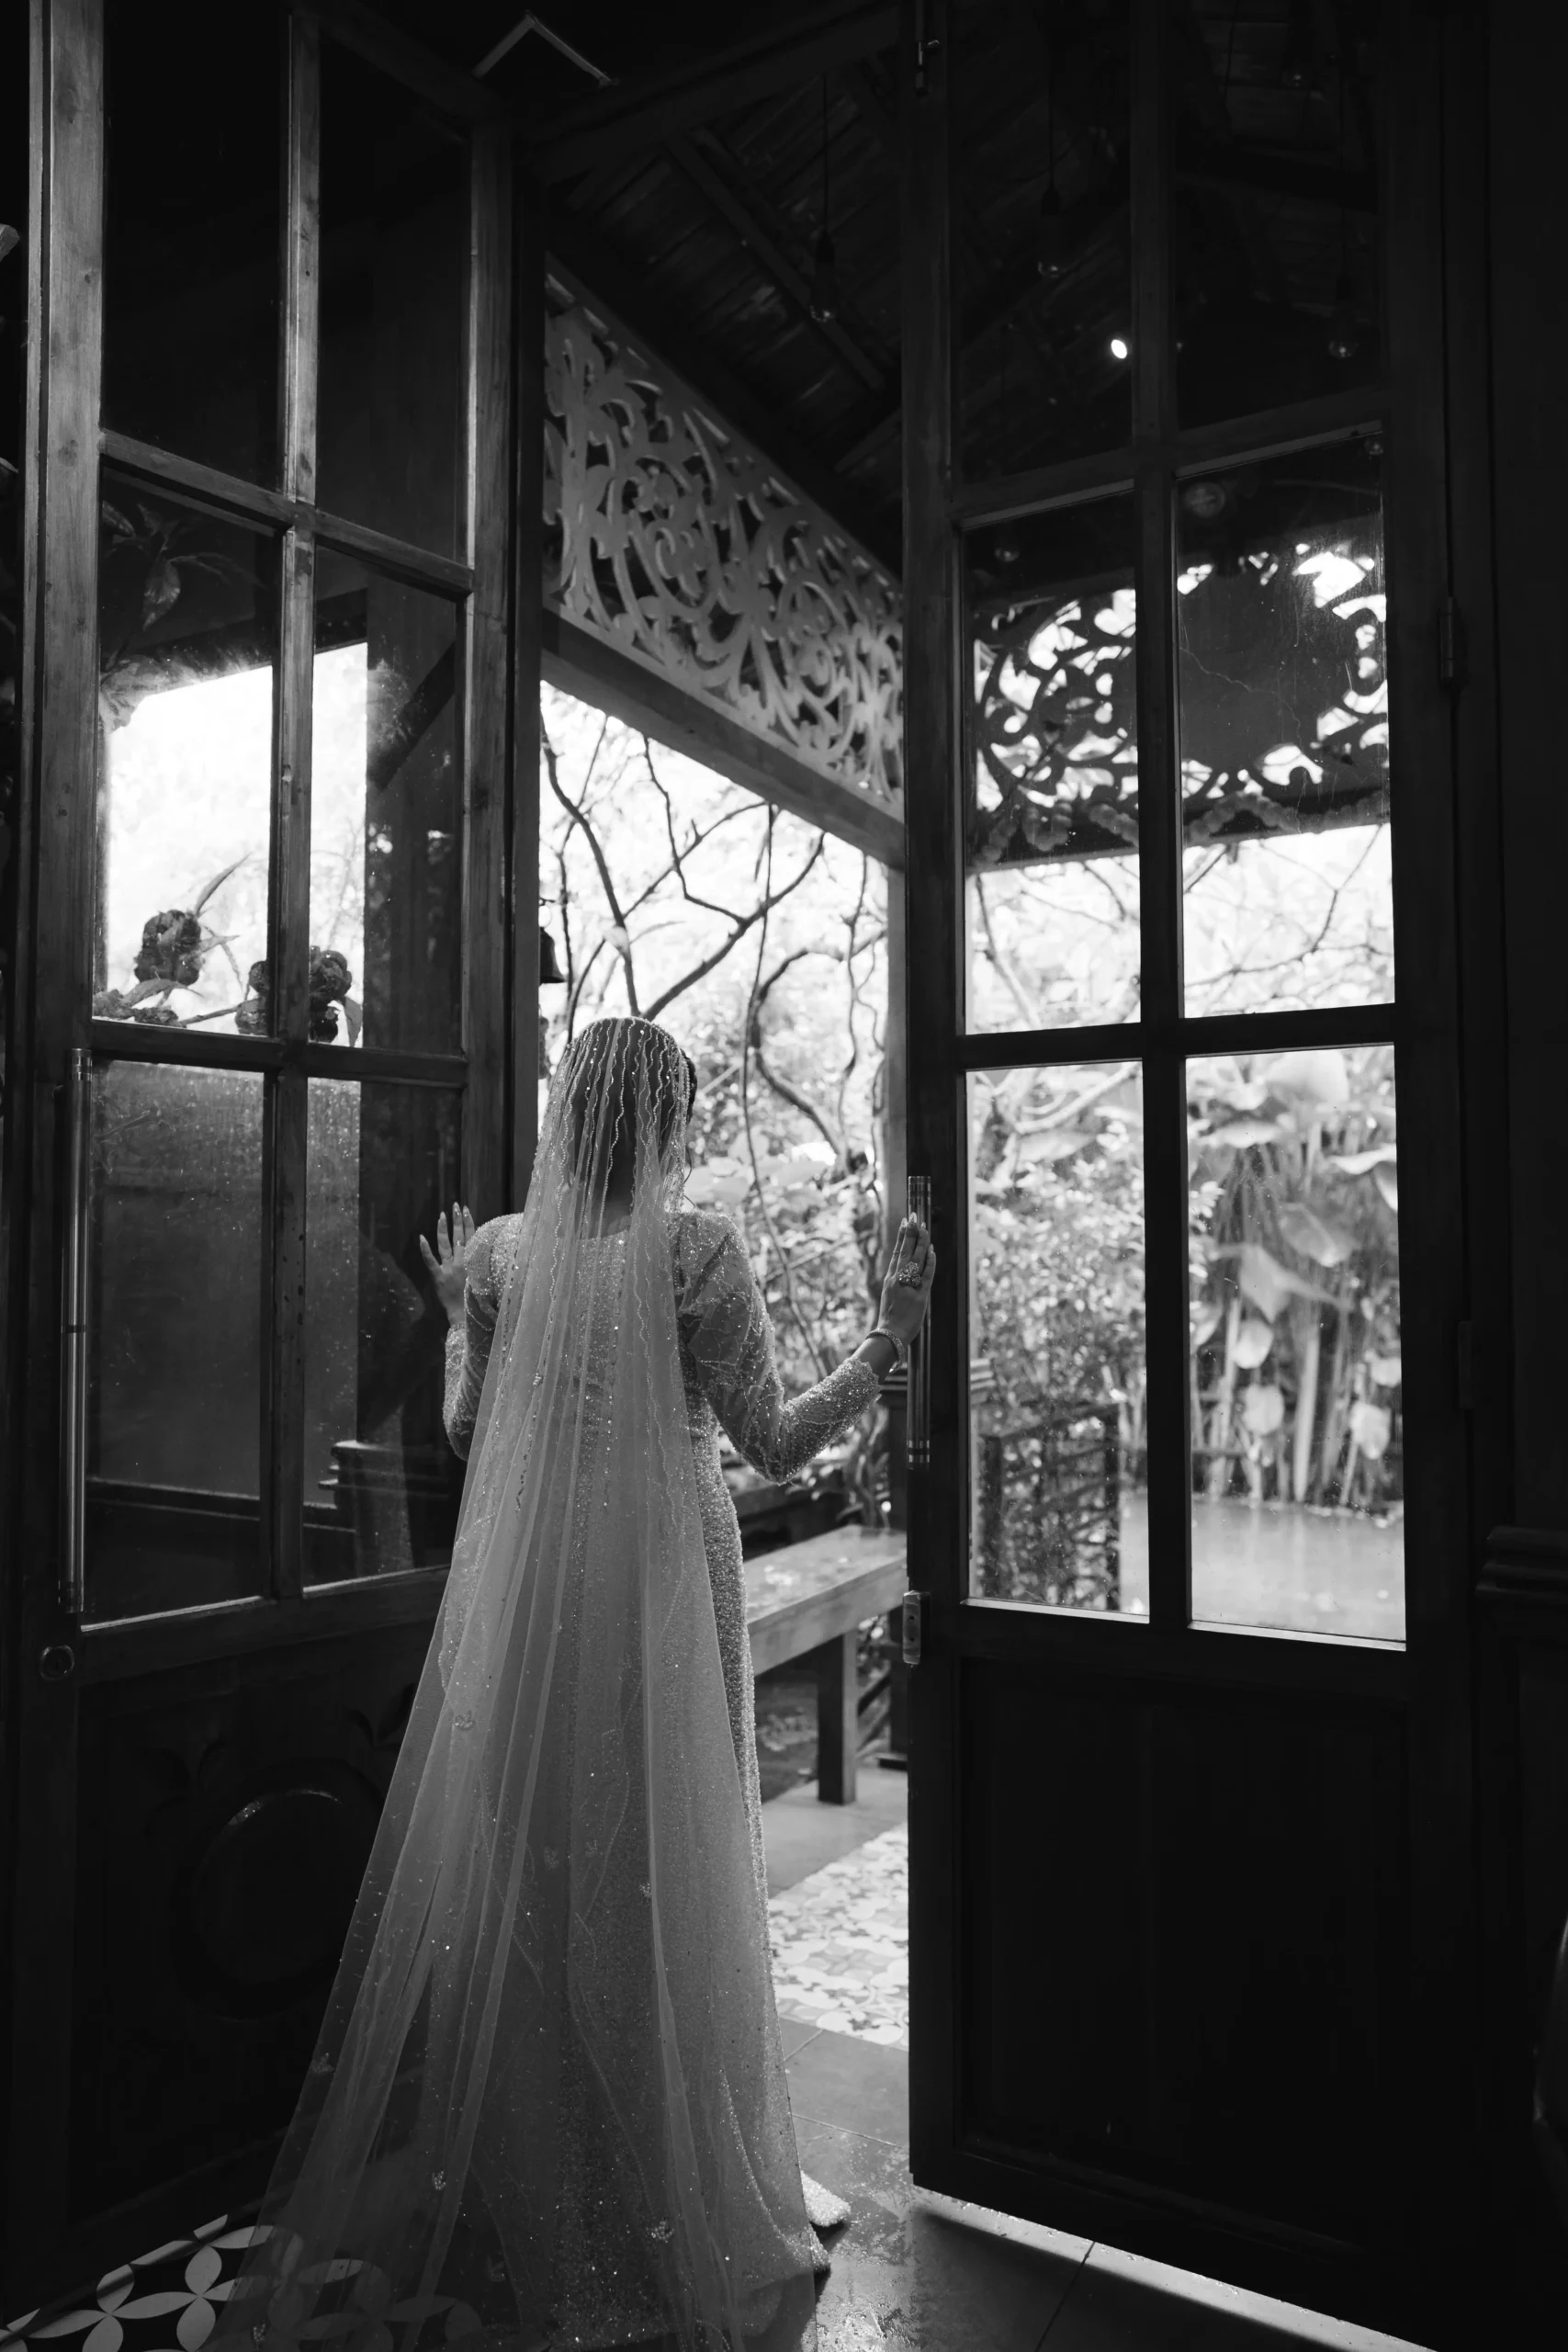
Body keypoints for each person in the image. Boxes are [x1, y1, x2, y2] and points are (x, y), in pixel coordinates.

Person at [220, 1015, 933, 2352]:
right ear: (666, 1120)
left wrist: (455, 1320)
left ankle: (568, 2176)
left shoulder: (502, 1253)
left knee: (545, 1861)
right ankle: (687, 2175)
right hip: (663, 1575)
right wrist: (889, 1337)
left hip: (538, 1587)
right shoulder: (695, 1249)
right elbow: (778, 1441)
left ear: (569, 1115)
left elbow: (469, 1431)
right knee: (673, 1859)